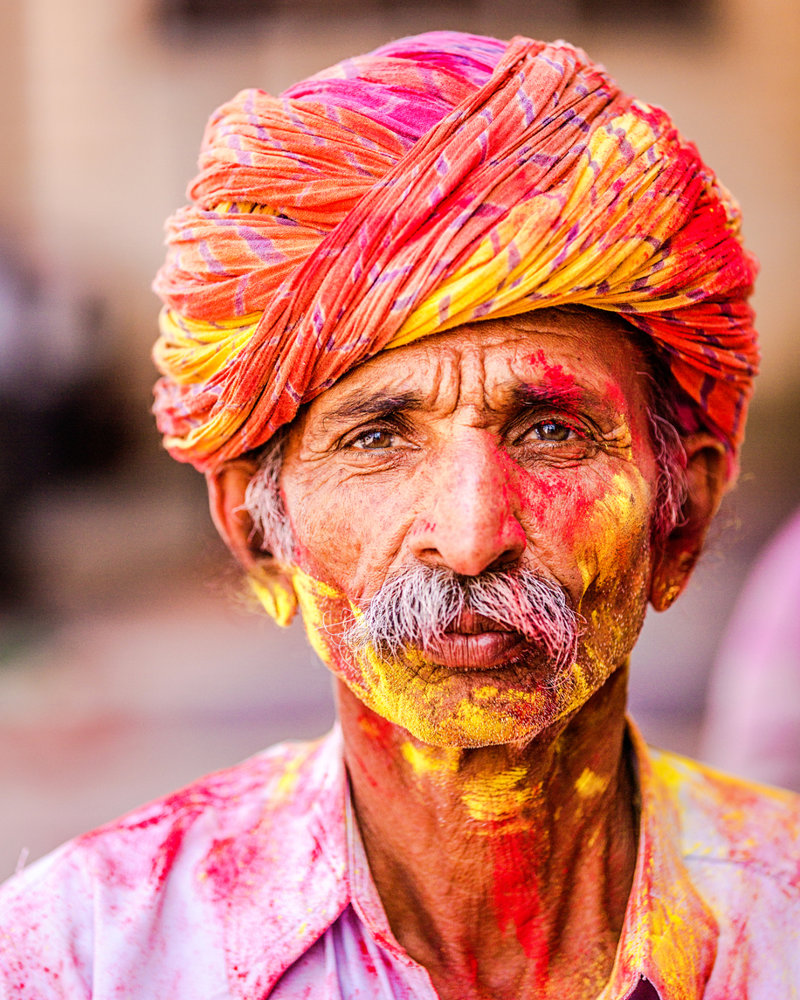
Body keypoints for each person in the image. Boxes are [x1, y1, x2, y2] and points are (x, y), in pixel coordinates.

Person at [1, 30, 797, 1000]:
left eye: (548, 431)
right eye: (378, 437)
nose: (469, 536)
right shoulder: (85, 957)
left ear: (682, 516)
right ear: (258, 535)